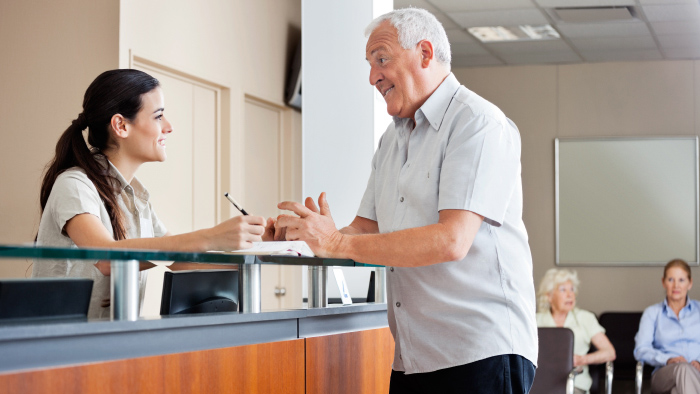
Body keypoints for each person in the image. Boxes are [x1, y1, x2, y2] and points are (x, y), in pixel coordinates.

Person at [276, 8, 537, 394]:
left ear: (425, 54)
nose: (372, 77)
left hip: (480, 352)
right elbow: (364, 230)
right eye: (369, 64)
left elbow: (452, 240)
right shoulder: (392, 139)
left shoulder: (478, 124)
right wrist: (306, 237)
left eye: (381, 60)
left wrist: (336, 241)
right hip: (415, 356)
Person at [34, 69, 277, 318]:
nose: (169, 127)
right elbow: (106, 258)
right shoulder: (74, 184)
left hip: (108, 342)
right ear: (120, 125)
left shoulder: (136, 198)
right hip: (60, 347)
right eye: (158, 116)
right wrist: (211, 236)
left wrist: (261, 246)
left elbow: (179, 259)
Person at [536, 268, 616, 394]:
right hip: (540, 384)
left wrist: (582, 359)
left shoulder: (585, 318)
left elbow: (609, 352)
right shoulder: (535, 320)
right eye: (563, 289)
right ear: (549, 296)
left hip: (574, 384)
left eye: (572, 289)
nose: (570, 294)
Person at [634, 259, 700, 394]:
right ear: (663, 282)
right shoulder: (652, 313)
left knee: (677, 391)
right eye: (671, 279)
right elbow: (641, 350)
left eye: (681, 280)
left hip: (697, 372)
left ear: (690, 283)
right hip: (664, 375)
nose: (676, 285)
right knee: (682, 369)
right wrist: (668, 360)